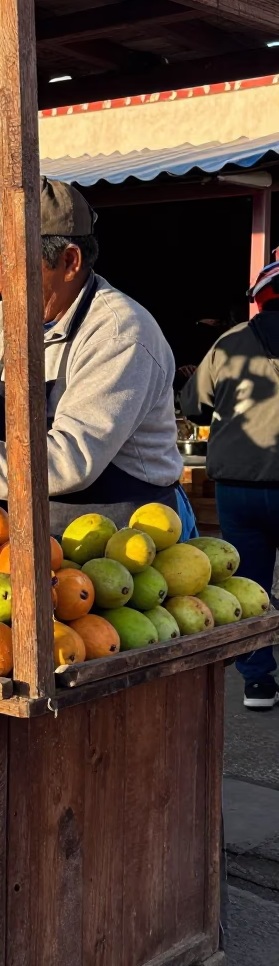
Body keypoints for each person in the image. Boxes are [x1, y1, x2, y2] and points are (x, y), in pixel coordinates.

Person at [0, 178, 189, 539]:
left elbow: (70, 458)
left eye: (10, 266)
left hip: (123, 540)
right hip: (28, 533)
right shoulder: (1, 321)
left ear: (70, 261)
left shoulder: (120, 334)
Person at [181, 259, 279, 710]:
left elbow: (195, 406)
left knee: (250, 583)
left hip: (238, 489)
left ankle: (257, 682)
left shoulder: (229, 343)